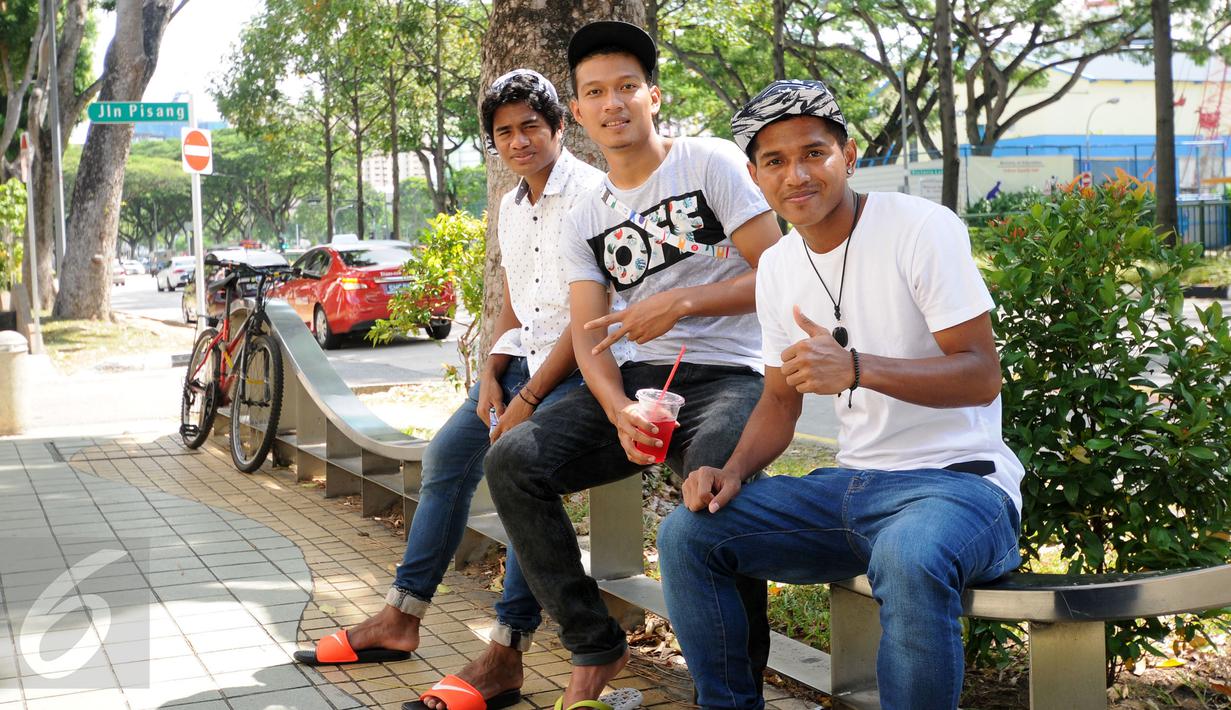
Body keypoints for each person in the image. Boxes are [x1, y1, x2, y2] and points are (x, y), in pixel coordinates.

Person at [656, 79, 1025, 710]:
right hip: (852, 488)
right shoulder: (777, 267)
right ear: (755, 176)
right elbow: (778, 401)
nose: (796, 174)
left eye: (813, 153)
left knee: (909, 558)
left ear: (848, 157)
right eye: (774, 161)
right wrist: (731, 471)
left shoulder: (920, 228)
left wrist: (857, 368)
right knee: (687, 536)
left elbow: (980, 373)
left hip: (960, 485)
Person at [293, 69, 630, 710]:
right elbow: (514, 299)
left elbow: (589, 317)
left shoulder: (595, 195)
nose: (519, 141)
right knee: (449, 453)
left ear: (560, 127)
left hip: (584, 370)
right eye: (504, 132)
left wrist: (526, 401)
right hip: (521, 364)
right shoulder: (510, 201)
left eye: (531, 125)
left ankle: (506, 650)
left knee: (518, 474)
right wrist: (489, 377)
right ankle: (401, 616)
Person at [484, 21, 784, 710]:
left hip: (731, 377)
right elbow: (590, 333)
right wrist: (617, 407)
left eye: (626, 87)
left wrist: (683, 301)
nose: (612, 103)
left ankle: (734, 696)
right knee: (511, 461)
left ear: (652, 96)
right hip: (636, 382)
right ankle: (594, 641)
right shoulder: (584, 211)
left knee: (712, 498)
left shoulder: (706, 164)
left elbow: (779, 271)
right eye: (595, 92)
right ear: (580, 111)